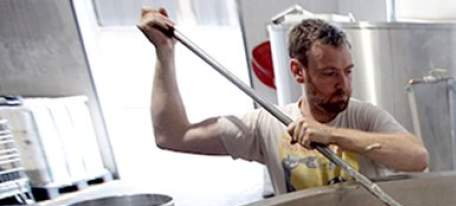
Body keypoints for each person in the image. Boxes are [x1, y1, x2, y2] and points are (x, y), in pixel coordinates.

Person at [138, 8, 428, 194]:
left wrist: (331, 134)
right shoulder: (268, 124)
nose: (344, 84)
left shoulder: (364, 117)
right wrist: (164, 53)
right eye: (329, 73)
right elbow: (172, 136)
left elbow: (418, 158)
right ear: (298, 71)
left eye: (348, 71)